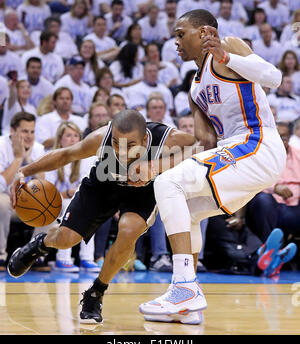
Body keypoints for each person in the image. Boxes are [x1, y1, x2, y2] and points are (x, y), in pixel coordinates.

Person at [137, 9, 288, 324]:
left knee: (168, 184)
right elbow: (205, 145)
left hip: (258, 142)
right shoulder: (194, 89)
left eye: (181, 34)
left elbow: (274, 77)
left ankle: (183, 288)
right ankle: (187, 302)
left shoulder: (229, 46)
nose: (175, 41)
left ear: (204, 31)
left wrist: (226, 56)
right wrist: (157, 163)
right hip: (239, 154)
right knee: (186, 207)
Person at [7, 109, 196, 324]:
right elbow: (66, 154)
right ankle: (40, 244)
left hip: (142, 194)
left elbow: (202, 145)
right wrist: (24, 171)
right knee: (66, 239)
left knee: (128, 230)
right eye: (116, 143)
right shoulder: (101, 137)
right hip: (102, 185)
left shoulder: (167, 138)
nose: (121, 151)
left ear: (144, 138)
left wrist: (156, 166)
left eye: (130, 145)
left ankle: (95, 292)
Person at [40, 121, 99, 273]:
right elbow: (47, 193)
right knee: (69, 206)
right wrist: (67, 193)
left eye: (76, 136)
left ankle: (87, 258)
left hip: (77, 200)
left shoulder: (87, 159)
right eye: (68, 135)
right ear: (60, 139)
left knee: (91, 208)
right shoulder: (51, 158)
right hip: (54, 203)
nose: (73, 139)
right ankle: (62, 258)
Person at [0, 112, 45, 271]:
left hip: (26, 203)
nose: (29, 136)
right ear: (12, 131)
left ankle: (33, 255)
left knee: (51, 203)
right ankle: (1, 256)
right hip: (7, 202)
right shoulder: (1, 146)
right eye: (25, 131)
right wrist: (18, 158)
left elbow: (44, 184)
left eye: (32, 132)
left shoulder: (38, 149)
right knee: (2, 202)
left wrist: (28, 159)